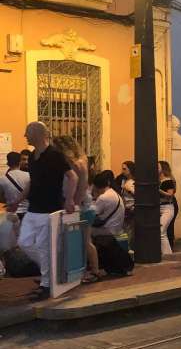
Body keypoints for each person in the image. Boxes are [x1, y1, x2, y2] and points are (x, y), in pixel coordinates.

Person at [8, 122, 78, 300]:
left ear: (38, 134)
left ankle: (46, 284)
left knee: (42, 246)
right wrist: (18, 200)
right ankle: (51, 272)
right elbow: (32, 183)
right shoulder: (32, 156)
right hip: (33, 208)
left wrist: (69, 199)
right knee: (24, 243)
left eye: (27, 132)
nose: (25, 136)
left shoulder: (55, 154)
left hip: (49, 209)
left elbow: (73, 177)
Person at [53, 135, 100, 284]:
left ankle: (94, 271)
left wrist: (75, 205)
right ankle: (85, 271)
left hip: (81, 207)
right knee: (83, 241)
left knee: (85, 241)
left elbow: (82, 187)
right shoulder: (76, 161)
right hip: (81, 205)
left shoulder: (78, 163)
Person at [90, 172, 132, 276]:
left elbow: (92, 214)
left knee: (84, 235)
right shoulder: (114, 193)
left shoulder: (103, 198)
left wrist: (94, 196)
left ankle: (92, 268)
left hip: (107, 230)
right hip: (116, 228)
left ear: (95, 186)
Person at [0, 152, 30, 222]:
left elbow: (0, 197)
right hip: (27, 212)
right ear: (19, 162)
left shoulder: (2, 179)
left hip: (12, 213)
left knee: (12, 232)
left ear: (8, 163)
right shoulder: (29, 176)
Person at [158, 161, 176, 255]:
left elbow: (170, 194)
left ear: (163, 169)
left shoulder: (168, 180)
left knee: (161, 231)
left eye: (158, 167)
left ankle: (168, 254)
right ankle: (165, 253)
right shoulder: (158, 180)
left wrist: (159, 190)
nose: (156, 168)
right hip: (159, 207)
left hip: (167, 208)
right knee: (160, 232)